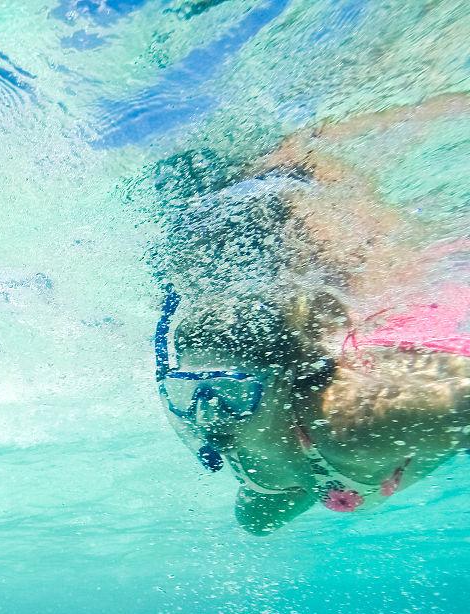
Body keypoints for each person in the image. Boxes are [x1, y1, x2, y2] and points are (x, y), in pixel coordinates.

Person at [151, 94, 470, 534]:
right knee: (255, 523)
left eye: (232, 391)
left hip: (361, 456)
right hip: (304, 473)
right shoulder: (228, 435)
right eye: (191, 390)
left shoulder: (352, 423)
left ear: (287, 383)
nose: (209, 412)